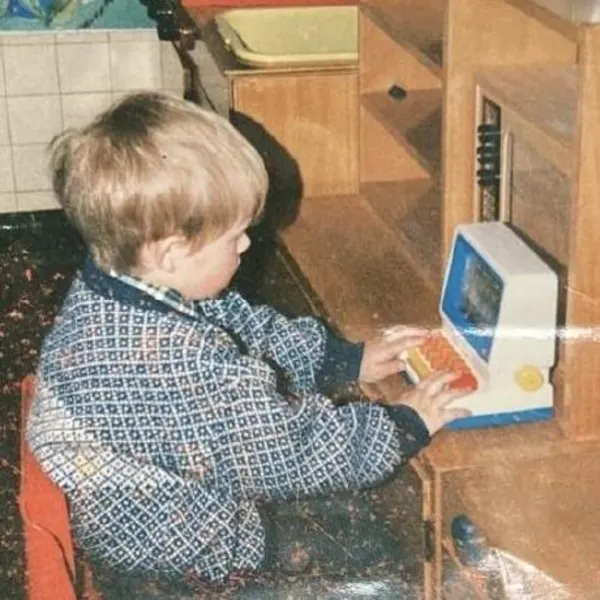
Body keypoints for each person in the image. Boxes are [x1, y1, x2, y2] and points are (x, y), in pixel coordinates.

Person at [27, 91, 469, 585]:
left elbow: (240, 329)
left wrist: (343, 361)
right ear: (171, 252)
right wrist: (405, 422)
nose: (247, 244)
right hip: (187, 567)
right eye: (235, 235)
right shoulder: (174, 365)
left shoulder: (120, 283)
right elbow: (287, 451)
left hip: (159, 519)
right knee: (382, 556)